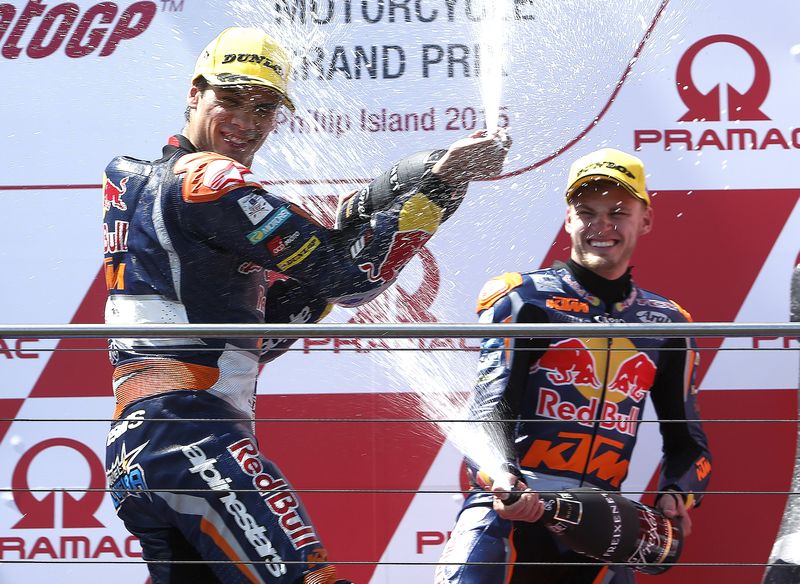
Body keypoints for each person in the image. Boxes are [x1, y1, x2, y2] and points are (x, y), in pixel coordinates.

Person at [102, 26, 510, 584]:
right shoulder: (209, 183)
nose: (247, 121)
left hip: (135, 453)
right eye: (232, 99)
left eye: (264, 107)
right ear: (194, 93)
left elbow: (260, 334)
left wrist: (365, 216)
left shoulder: (133, 182)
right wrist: (441, 187)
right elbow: (353, 280)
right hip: (195, 443)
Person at [435, 148, 712, 583]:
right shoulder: (526, 299)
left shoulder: (667, 322)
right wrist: (504, 477)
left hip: (604, 526)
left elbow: (689, 445)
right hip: (511, 511)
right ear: (568, 219)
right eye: (587, 213)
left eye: (618, 212)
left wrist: (677, 495)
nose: (602, 225)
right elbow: (490, 410)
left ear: (645, 219)